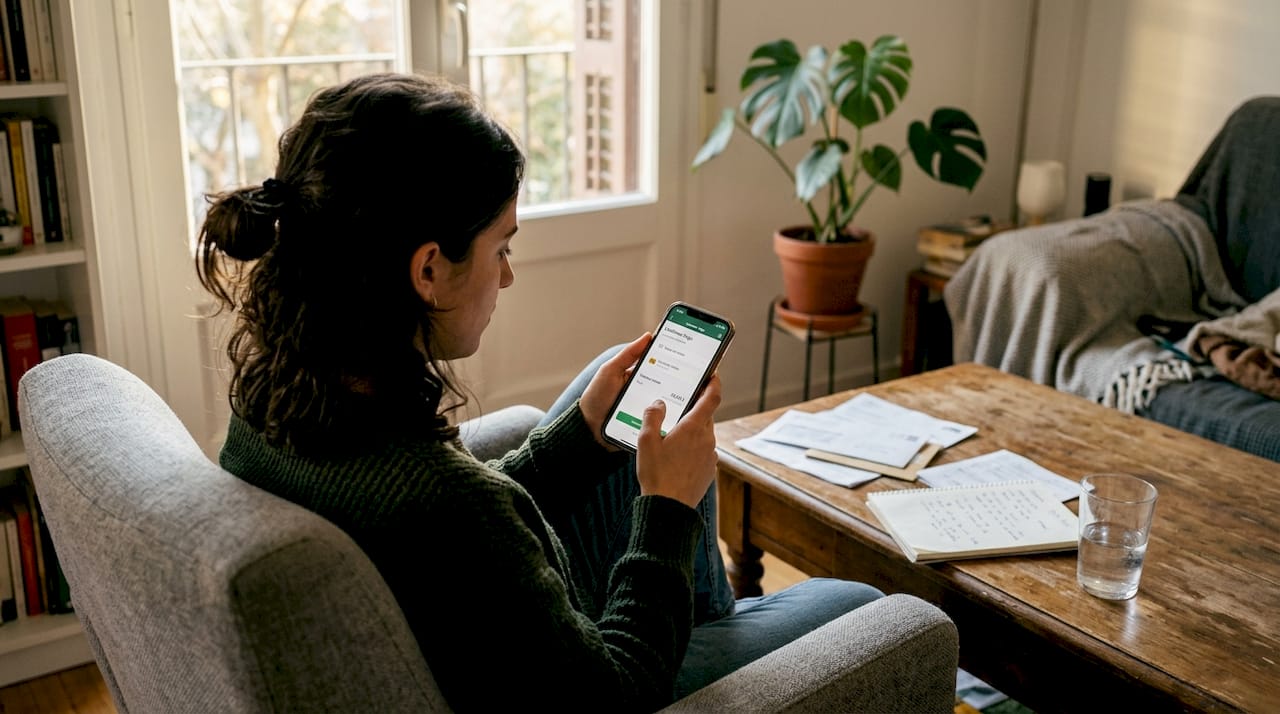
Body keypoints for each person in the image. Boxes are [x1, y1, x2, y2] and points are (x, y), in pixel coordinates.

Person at [195, 71, 883, 712]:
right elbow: (611, 690)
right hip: (603, 671)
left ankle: (701, 627)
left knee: (614, 386)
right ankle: (710, 648)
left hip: (501, 631)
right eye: (502, 249)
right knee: (863, 608)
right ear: (429, 269)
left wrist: (579, 436)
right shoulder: (450, 507)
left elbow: (459, 543)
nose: (508, 276)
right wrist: (667, 508)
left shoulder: (271, 396)